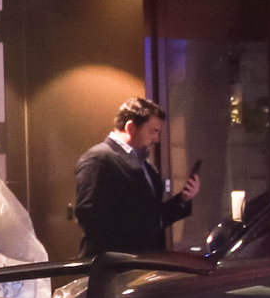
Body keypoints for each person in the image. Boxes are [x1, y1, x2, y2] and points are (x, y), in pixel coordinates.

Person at [73, 96, 199, 259]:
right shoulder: (98, 159)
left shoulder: (144, 165)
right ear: (131, 127)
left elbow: (153, 216)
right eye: (153, 131)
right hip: (116, 266)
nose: (157, 139)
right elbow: (89, 216)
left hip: (142, 262)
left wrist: (183, 199)